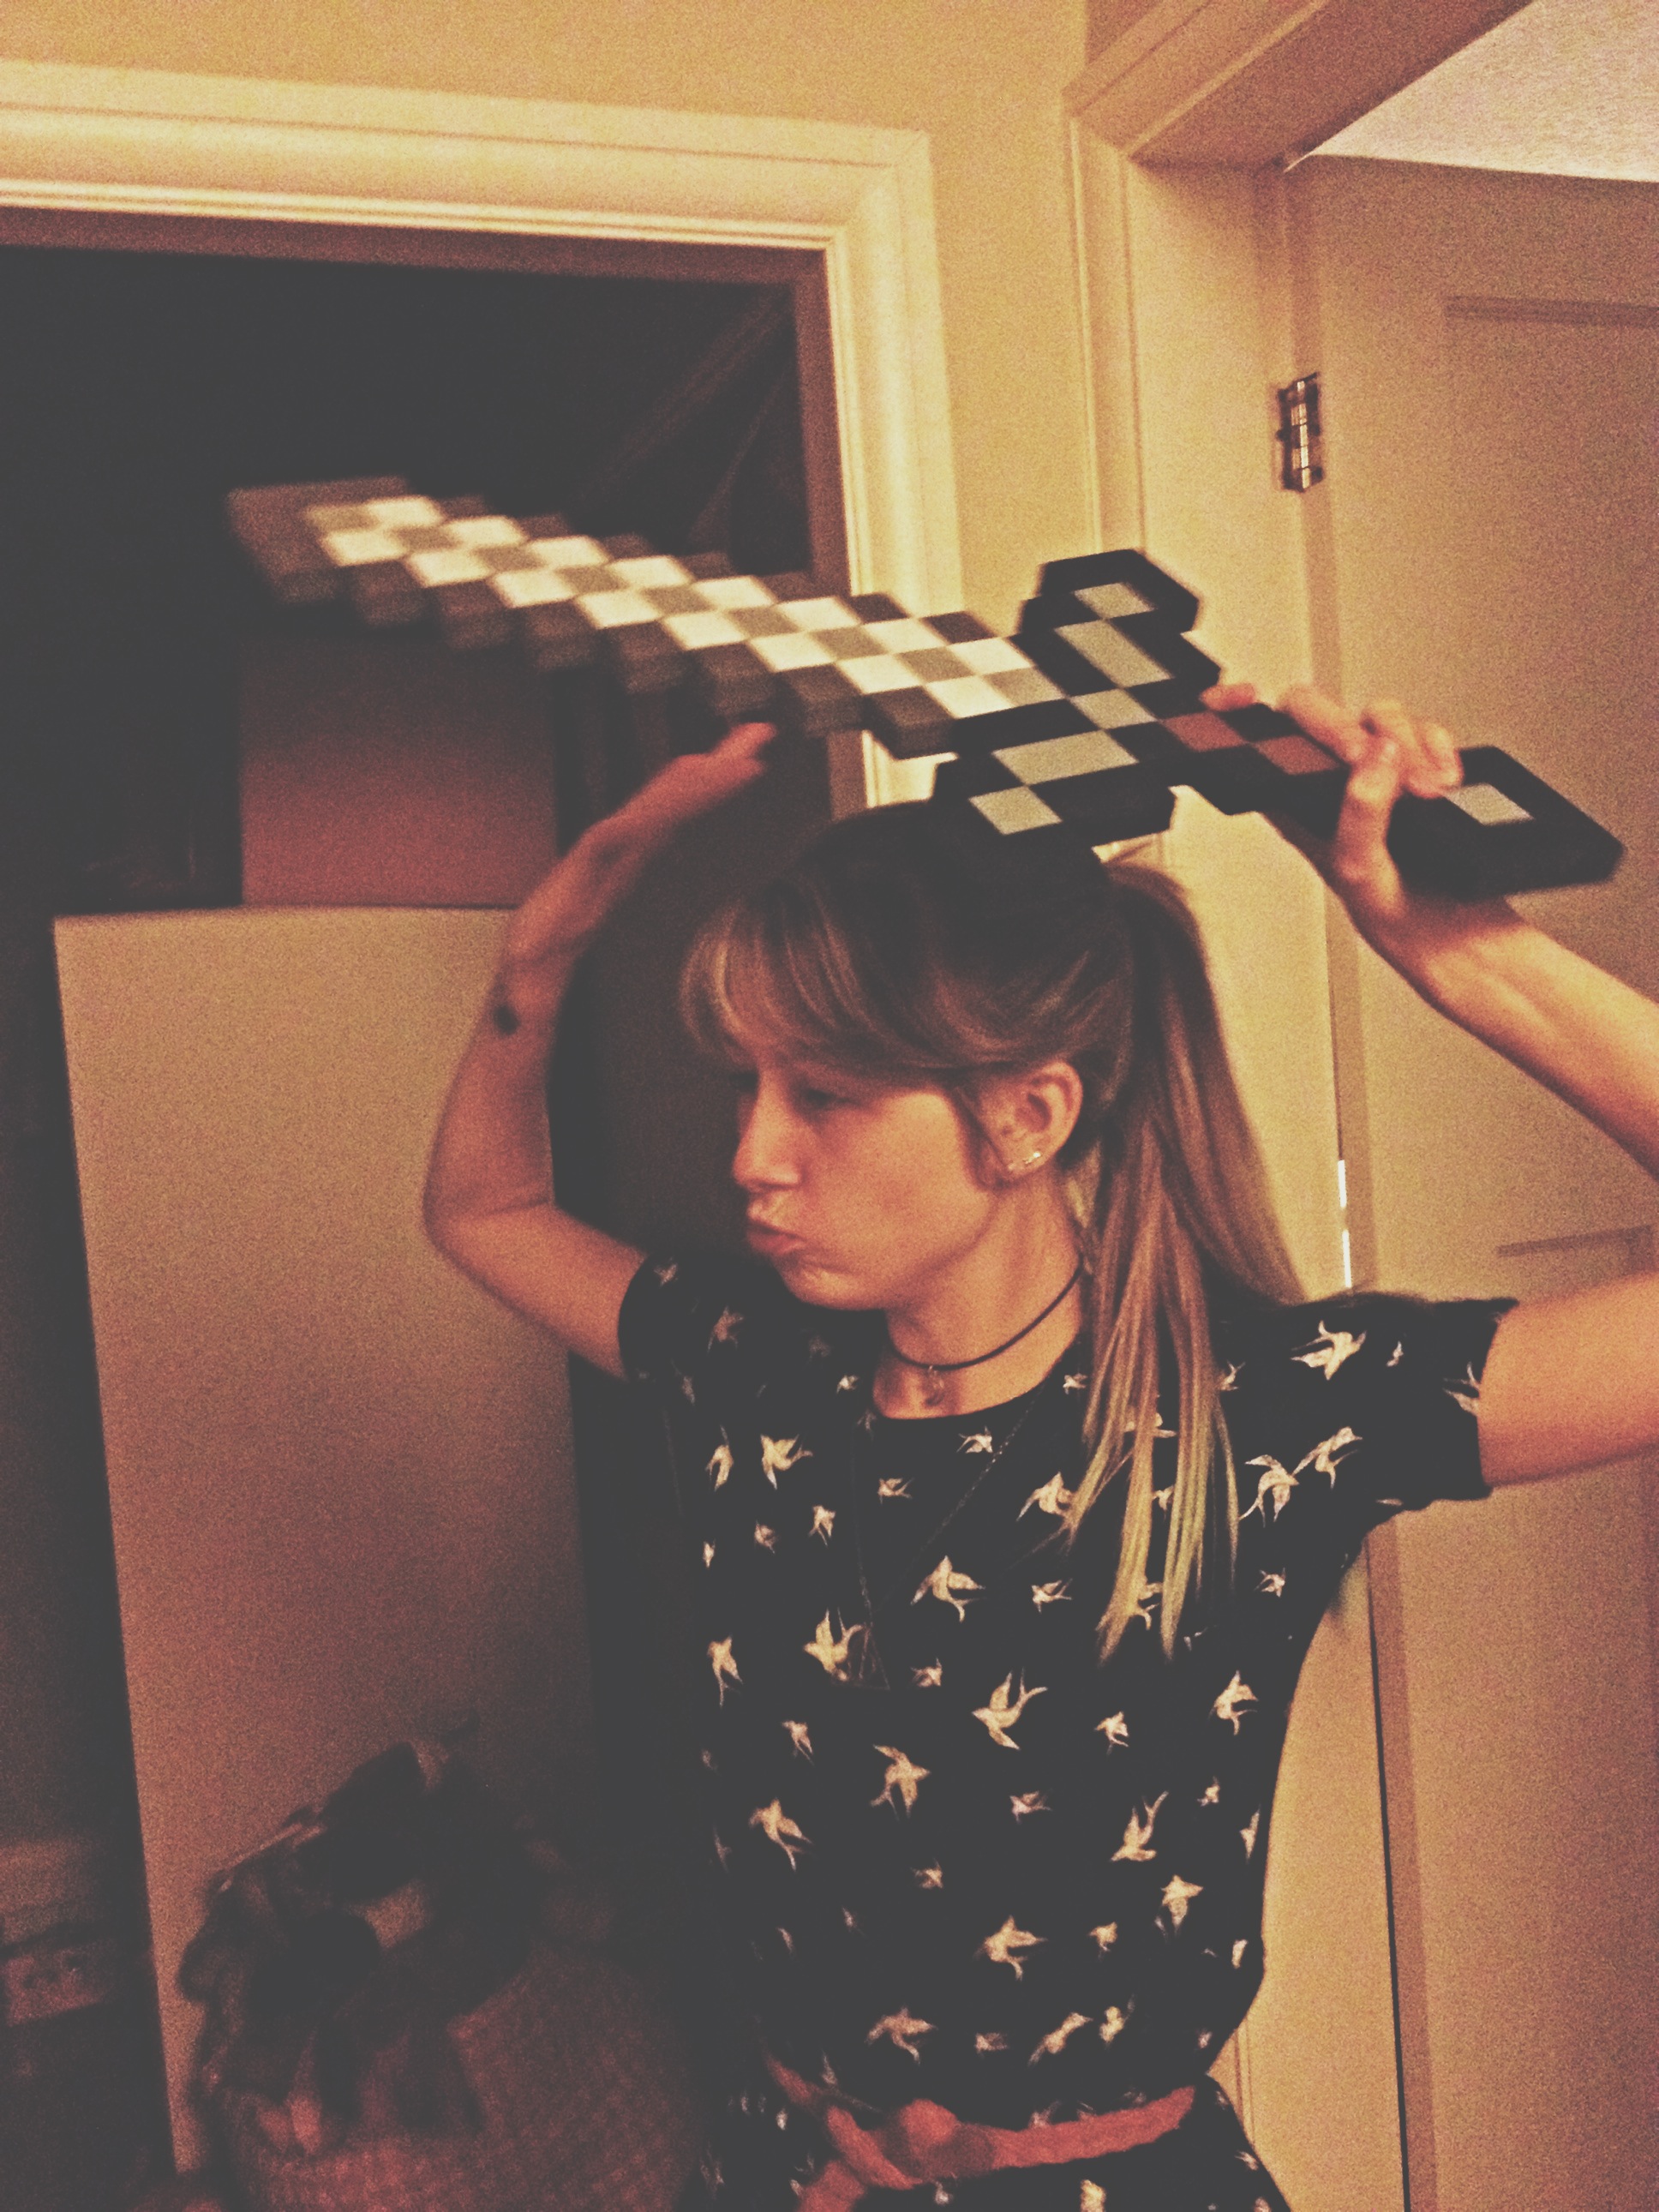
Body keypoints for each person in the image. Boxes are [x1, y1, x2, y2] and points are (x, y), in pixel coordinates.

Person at [423, 684, 1659, 2211]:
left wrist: (1470, 957)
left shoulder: (1258, 1417)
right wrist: (536, 960)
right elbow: (485, 1209)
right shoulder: (755, 1370)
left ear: (1026, 1115)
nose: (751, 1154)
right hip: (779, 2171)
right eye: (746, 1083)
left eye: (824, 1094)